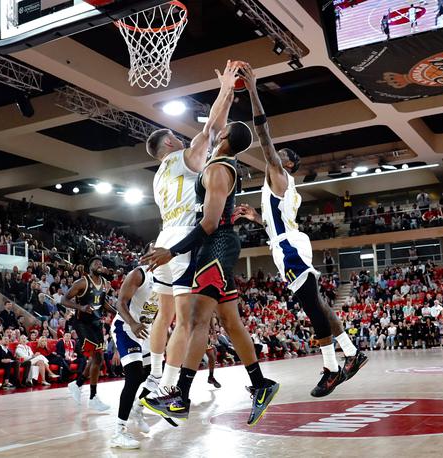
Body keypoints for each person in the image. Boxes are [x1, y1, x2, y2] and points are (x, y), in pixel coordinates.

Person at [142, 83, 278, 425]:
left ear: (226, 139)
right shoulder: (215, 163)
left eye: (222, 133)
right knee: (229, 322)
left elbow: (210, 222)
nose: (215, 133)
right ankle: (261, 384)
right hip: (216, 243)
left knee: (196, 320)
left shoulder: (217, 167)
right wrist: (227, 93)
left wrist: (171, 251)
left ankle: (179, 396)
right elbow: (213, 127)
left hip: (214, 244)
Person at [232, 64, 367, 397]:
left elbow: (263, 136)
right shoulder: (283, 187)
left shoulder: (278, 174)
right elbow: (281, 221)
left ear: (288, 163)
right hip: (288, 241)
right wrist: (259, 219)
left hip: (289, 248)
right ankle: (351, 352)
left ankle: (331, 369)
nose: (272, 157)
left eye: (279, 156)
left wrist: (252, 92)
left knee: (311, 308)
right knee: (318, 304)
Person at [143, 60, 237, 397]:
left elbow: (215, 130)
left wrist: (226, 99)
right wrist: (225, 89)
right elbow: (212, 128)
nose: (182, 139)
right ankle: (167, 388)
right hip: (183, 241)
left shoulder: (158, 176)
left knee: (163, 315)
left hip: (164, 236)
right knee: (185, 321)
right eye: (175, 137)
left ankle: (154, 374)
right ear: (168, 145)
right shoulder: (183, 157)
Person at [110, 262, 158, 449]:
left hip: (147, 331)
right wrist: (133, 324)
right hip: (127, 327)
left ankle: (137, 408)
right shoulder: (140, 274)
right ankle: (118, 432)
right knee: (134, 376)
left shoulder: (169, 279)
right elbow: (119, 303)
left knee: (156, 374)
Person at [64, 257, 114, 411]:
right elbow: (64, 300)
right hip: (82, 324)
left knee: (97, 360)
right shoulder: (82, 282)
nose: (99, 265)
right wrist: (80, 307)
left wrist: (117, 312)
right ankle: (92, 397)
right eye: (96, 263)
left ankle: (77, 384)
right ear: (90, 267)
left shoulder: (105, 283)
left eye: (101, 264)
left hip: (97, 323)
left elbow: (103, 303)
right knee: (97, 358)